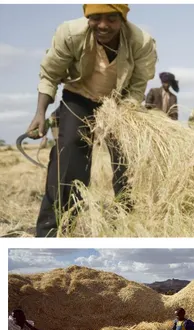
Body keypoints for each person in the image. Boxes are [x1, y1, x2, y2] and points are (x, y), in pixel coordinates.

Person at [27, 5, 157, 237]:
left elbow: (138, 85)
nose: (103, 25)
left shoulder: (142, 42)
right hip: (79, 97)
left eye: (111, 19)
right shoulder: (70, 33)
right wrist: (40, 113)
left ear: (123, 20)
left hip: (119, 103)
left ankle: (125, 224)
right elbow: (50, 74)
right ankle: (54, 231)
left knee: (126, 161)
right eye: (95, 18)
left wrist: (124, 113)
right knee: (69, 158)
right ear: (87, 18)